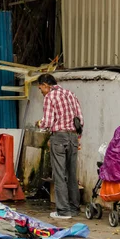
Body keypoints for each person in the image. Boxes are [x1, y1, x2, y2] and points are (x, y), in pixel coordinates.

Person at [37, 73, 83, 219]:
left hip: (59, 137)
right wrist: (78, 138)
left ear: (45, 85)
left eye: (40, 88)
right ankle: (75, 208)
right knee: (71, 174)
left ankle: (63, 211)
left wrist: (39, 124)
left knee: (59, 174)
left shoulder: (50, 97)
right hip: (73, 136)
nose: (41, 92)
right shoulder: (71, 94)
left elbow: (48, 122)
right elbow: (80, 119)